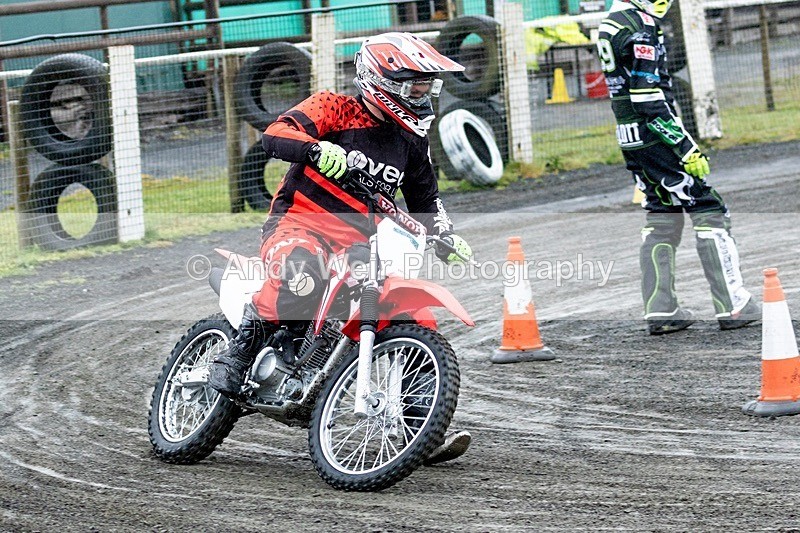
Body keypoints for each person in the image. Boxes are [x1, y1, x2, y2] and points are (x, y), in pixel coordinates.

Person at [208, 32, 473, 463]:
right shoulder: (335, 106)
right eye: (414, 86)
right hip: (298, 225)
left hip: (357, 246)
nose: (422, 95)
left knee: (417, 318)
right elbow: (275, 134)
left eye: (427, 87)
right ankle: (236, 356)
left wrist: (444, 234)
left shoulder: (411, 142)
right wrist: (315, 149)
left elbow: (426, 200)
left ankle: (420, 427)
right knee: (303, 270)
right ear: (381, 81)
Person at [597, 0, 760, 335]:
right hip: (655, 136)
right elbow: (647, 97)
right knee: (708, 206)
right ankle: (734, 304)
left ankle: (661, 309)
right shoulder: (639, 25)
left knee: (661, 214)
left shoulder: (610, 22)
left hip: (629, 135)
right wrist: (685, 147)